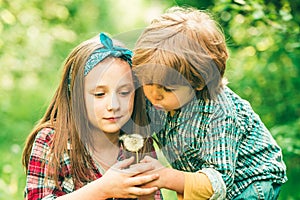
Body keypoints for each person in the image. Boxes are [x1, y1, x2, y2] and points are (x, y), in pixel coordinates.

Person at [132, 6, 287, 200]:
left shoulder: (219, 114)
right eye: (147, 82)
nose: (154, 94)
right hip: (204, 174)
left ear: (198, 82)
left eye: (168, 88)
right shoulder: (155, 96)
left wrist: (166, 177)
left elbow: (219, 181)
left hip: (250, 182)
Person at [22, 32, 162, 200]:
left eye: (124, 92)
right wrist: (102, 190)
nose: (113, 105)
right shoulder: (52, 141)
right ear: (76, 95)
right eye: (99, 94)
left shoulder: (137, 144)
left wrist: (146, 190)